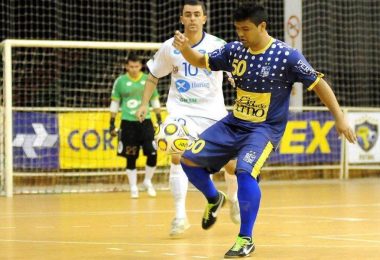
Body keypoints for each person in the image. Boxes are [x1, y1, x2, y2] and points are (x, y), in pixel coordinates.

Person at [172, 2, 357, 258]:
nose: (240, 34)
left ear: (262, 26)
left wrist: (340, 118)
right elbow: (201, 61)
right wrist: (185, 49)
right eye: (237, 29)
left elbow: (319, 83)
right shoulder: (235, 50)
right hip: (234, 122)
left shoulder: (287, 56)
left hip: (264, 130)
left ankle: (245, 238)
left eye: (245, 29)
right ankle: (214, 199)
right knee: (188, 160)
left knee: (245, 172)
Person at [135, 0, 240, 237]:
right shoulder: (169, 47)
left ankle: (232, 199)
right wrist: (144, 104)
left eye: (196, 15)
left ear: (204, 19)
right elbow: (153, 76)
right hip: (181, 113)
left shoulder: (218, 45)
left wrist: (235, 78)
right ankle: (180, 216)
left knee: (231, 165)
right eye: (187, 15)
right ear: (181, 19)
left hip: (214, 114)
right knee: (177, 156)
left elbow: (234, 71)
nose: (192, 19)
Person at [109, 55, 162, 199]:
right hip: (128, 123)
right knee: (130, 156)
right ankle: (133, 186)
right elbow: (115, 102)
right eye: (131, 67)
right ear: (126, 66)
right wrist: (111, 123)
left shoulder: (147, 79)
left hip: (146, 122)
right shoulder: (120, 81)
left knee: (152, 152)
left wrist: (159, 119)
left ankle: (147, 181)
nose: (134, 69)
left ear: (141, 66)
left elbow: (155, 99)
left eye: (136, 66)